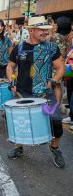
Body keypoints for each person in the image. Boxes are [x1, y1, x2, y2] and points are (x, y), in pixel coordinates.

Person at [6, 16, 66, 168]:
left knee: (57, 122)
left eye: (46, 29)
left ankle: (54, 147)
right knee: (19, 124)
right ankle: (18, 148)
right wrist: (11, 80)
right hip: (22, 94)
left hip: (45, 94)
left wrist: (54, 81)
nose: (45, 32)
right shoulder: (19, 48)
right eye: (41, 29)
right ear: (31, 30)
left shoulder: (51, 47)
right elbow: (10, 67)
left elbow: (61, 67)